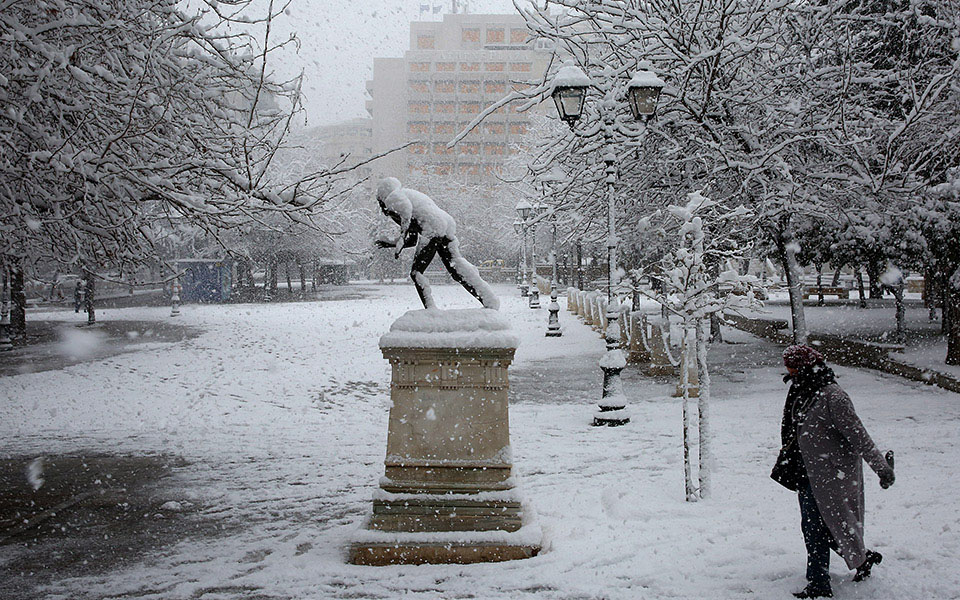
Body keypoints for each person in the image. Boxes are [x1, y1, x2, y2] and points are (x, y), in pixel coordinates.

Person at [775, 344, 895, 599]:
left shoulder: (833, 397)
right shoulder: (802, 390)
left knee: (819, 528)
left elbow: (860, 437)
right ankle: (861, 561)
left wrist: (882, 469)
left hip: (832, 476)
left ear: (804, 367)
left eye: (792, 367)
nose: (789, 372)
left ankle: (819, 584)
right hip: (807, 472)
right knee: (820, 527)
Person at [374, 177, 499, 310]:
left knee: (416, 273)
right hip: (444, 224)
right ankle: (488, 299)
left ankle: (431, 310)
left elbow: (406, 217)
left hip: (432, 229)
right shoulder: (409, 196)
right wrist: (392, 243)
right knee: (456, 268)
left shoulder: (395, 198)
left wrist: (399, 243)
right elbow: (412, 240)